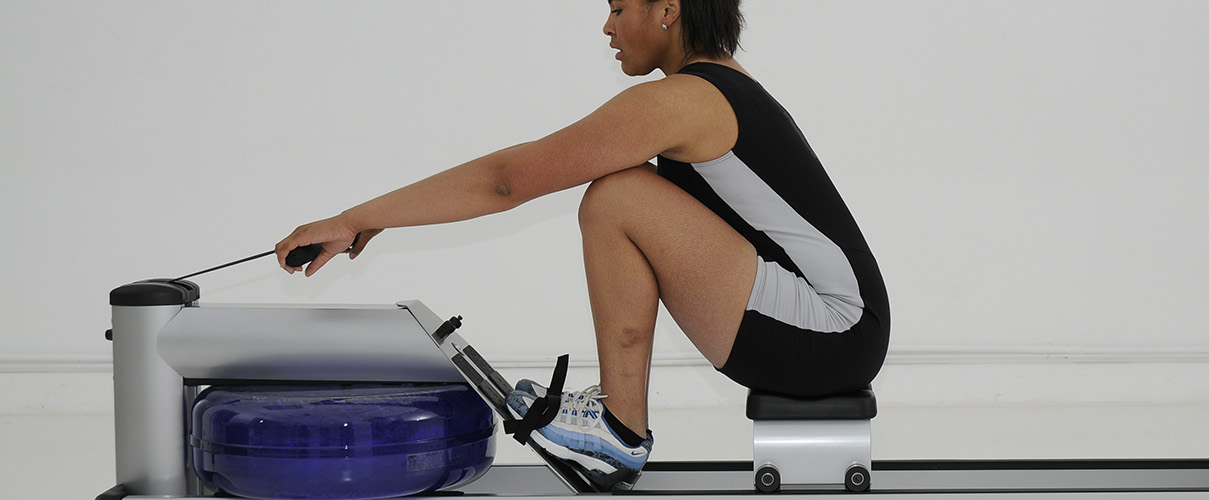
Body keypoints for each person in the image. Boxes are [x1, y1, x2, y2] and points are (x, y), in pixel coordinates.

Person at [274, 0, 889, 490]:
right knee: (625, 190)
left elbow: (508, 180)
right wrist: (367, 219)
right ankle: (620, 421)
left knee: (618, 196)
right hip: (827, 330)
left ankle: (619, 428)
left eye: (619, 8)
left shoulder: (682, 100)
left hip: (828, 328)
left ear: (668, 9)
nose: (607, 26)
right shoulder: (715, 87)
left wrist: (354, 217)